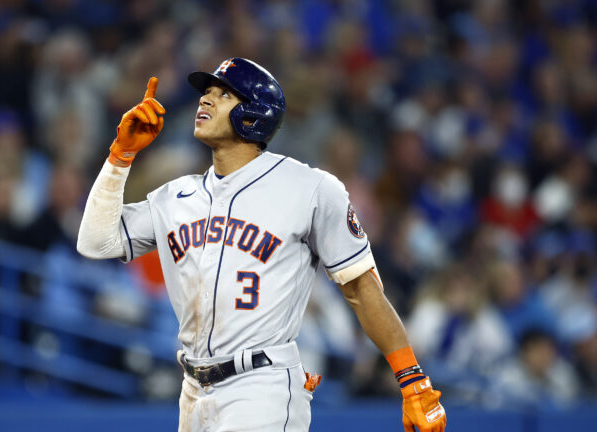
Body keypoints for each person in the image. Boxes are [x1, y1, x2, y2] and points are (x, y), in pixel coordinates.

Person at [77, 58, 446, 432]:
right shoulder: (174, 196)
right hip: (193, 391)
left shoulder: (310, 188)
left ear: (254, 114)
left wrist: (412, 379)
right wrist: (120, 156)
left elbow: (362, 291)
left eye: (223, 94)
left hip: (262, 387)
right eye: (206, 92)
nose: (205, 100)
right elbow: (95, 242)